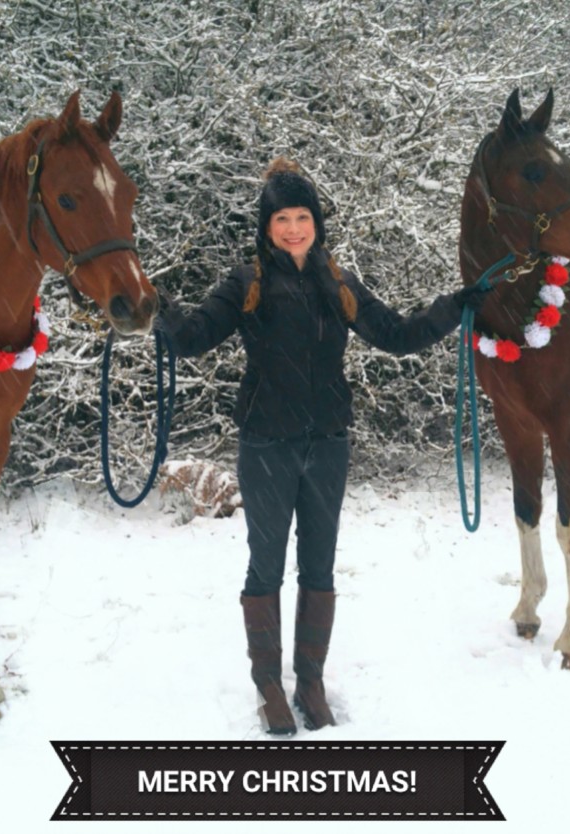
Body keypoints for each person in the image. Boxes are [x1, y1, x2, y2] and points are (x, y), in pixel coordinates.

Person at [154, 158, 489, 735]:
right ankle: (268, 684)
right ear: (267, 227)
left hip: (328, 444)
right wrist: (153, 306)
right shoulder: (246, 282)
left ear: (316, 222)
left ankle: (309, 680)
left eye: (302, 217)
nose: (293, 229)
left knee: (320, 565)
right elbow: (192, 337)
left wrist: (453, 307)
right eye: (281, 219)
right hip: (267, 444)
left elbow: (396, 334)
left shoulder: (339, 282)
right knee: (266, 565)